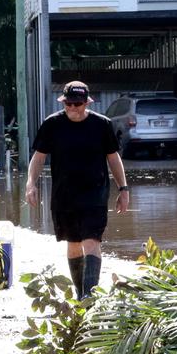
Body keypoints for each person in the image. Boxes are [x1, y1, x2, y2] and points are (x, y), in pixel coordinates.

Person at [25, 80, 130, 298]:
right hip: (64, 195)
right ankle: (80, 291)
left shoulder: (102, 124)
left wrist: (124, 188)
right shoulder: (52, 124)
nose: (73, 108)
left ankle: (89, 296)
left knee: (91, 241)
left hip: (95, 194)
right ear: (64, 102)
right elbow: (38, 157)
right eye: (69, 104)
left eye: (78, 104)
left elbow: (113, 158)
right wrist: (30, 183)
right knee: (73, 244)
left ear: (86, 102)